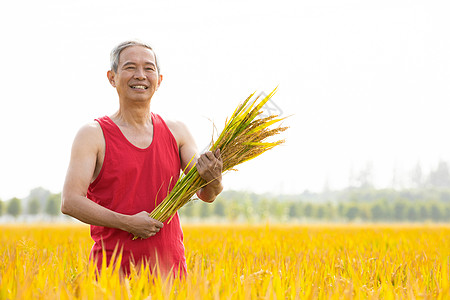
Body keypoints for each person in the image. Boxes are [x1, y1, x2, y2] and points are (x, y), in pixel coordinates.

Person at [61, 40, 223, 277]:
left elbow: (206, 194)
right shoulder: (92, 134)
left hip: (171, 276)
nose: (140, 75)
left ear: (159, 80)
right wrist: (127, 222)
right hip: (111, 277)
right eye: (130, 67)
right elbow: (70, 201)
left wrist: (215, 180)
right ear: (112, 77)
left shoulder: (177, 132)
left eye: (148, 68)